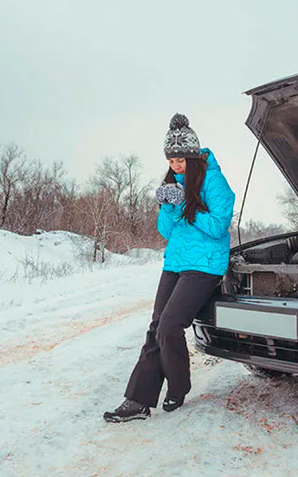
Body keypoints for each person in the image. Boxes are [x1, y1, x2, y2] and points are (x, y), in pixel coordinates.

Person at [103, 113, 236, 422]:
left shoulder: (214, 181)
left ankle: (178, 386)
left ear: (193, 157)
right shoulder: (173, 182)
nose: (176, 166)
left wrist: (188, 207)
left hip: (205, 265)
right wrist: (167, 205)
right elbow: (167, 231)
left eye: (181, 161)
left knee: (170, 325)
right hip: (176, 261)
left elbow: (218, 226)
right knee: (156, 325)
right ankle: (137, 401)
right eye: (171, 161)